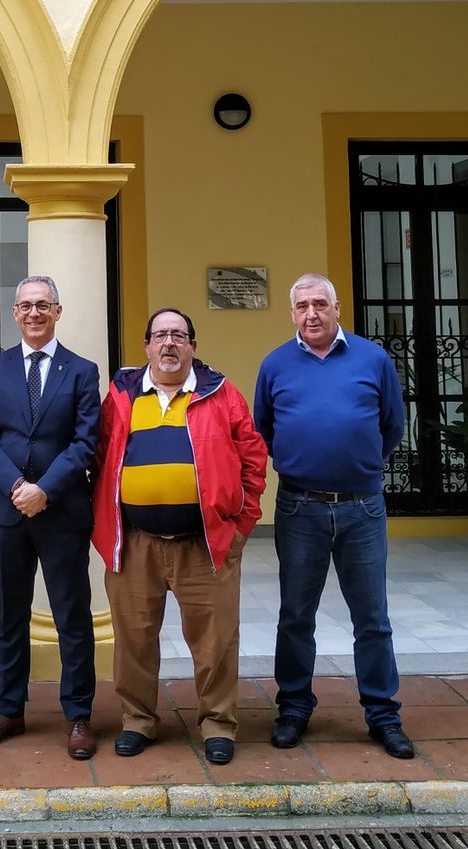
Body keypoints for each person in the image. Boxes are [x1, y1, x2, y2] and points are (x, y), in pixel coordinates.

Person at [93, 308, 267, 765]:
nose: (169, 344)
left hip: (205, 542)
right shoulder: (121, 396)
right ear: (146, 345)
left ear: (192, 344)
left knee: (215, 640)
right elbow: (97, 453)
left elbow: (253, 458)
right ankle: (138, 720)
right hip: (135, 542)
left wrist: (242, 524)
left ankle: (218, 724)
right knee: (133, 638)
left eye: (179, 335)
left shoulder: (221, 394)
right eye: (160, 336)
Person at [253, 272, 415, 759]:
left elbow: (392, 425)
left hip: (362, 507)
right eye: (301, 306)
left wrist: (357, 466)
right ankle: (294, 708)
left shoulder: (372, 358)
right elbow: (263, 430)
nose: (311, 314)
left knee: (372, 618)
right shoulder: (275, 365)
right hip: (299, 505)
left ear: (337, 307)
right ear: (292, 313)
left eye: (320, 304)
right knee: (295, 615)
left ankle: (383, 714)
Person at [0, 275, 102, 759]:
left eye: (44, 305)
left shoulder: (83, 370)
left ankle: (79, 714)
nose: (35, 313)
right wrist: (18, 487)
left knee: (72, 614)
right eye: (26, 306)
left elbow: (86, 442)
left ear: (58, 312)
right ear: (15, 314)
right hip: (5, 510)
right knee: (9, 613)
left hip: (61, 509)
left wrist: (44, 489)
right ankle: (9, 710)